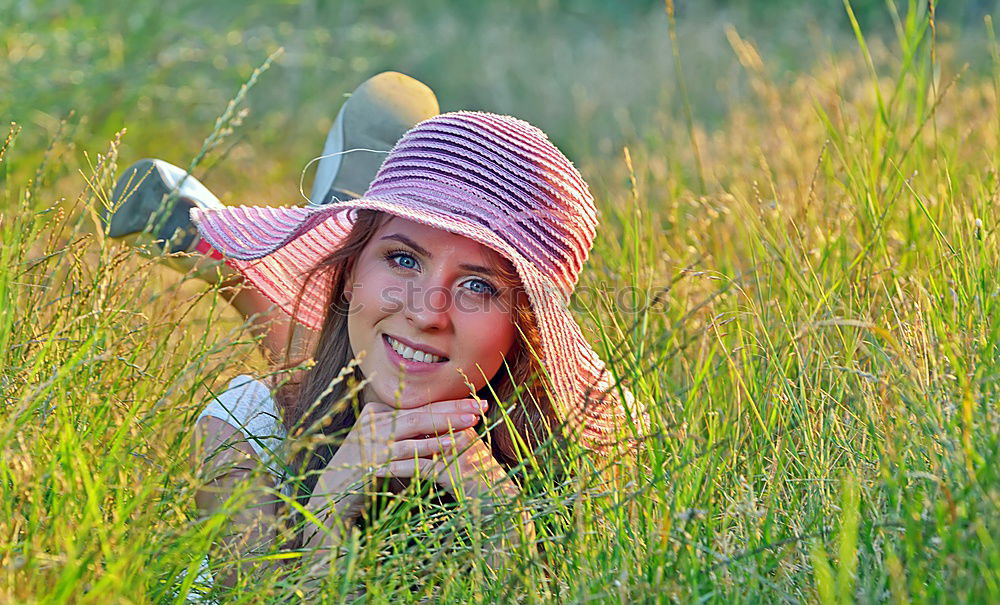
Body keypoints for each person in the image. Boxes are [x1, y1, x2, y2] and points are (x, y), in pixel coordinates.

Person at [104, 73, 643, 588]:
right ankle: (277, 254)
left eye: (479, 286)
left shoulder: (593, 467)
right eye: (404, 259)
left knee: (361, 350)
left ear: (528, 331)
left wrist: (503, 526)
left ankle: (257, 257)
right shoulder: (239, 435)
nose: (428, 311)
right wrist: (328, 516)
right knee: (329, 379)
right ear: (346, 273)